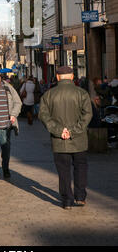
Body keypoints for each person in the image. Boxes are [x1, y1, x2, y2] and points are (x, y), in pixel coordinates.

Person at [38, 66, 92, 210]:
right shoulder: (82, 93)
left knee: (63, 170)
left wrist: (59, 131)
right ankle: (80, 196)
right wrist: (74, 131)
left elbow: (43, 115)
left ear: (57, 77)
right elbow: (87, 115)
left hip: (59, 140)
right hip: (79, 139)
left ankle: (67, 199)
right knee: (80, 167)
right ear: (72, 76)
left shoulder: (48, 95)